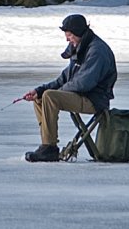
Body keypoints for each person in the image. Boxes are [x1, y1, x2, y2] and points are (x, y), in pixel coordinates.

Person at [20, 13, 116, 162]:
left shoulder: (97, 51)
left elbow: (84, 84)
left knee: (50, 97)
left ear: (78, 32)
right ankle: (47, 143)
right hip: (81, 95)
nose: (67, 39)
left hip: (94, 100)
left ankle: (49, 148)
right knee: (41, 97)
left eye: (69, 35)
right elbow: (64, 78)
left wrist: (53, 93)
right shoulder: (79, 47)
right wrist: (39, 90)